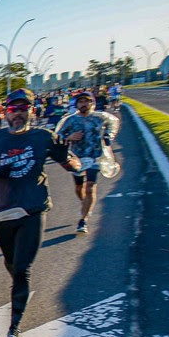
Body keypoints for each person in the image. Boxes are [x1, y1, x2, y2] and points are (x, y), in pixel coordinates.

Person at [0, 89, 81, 337]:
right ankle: (19, 288)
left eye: (23, 108)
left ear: (32, 111)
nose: (18, 112)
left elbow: (70, 164)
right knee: (12, 264)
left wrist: (71, 158)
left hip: (33, 209)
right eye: (13, 109)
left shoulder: (43, 137)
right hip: (3, 211)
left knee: (22, 268)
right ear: (5, 112)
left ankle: (14, 327)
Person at [55, 90, 119, 234]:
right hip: (77, 157)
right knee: (79, 188)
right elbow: (57, 136)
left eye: (86, 101)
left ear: (92, 103)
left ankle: (83, 220)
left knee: (90, 187)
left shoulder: (100, 117)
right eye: (81, 102)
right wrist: (70, 137)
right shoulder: (70, 120)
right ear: (77, 104)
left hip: (95, 155)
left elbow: (114, 123)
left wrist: (109, 135)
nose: (84, 104)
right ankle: (86, 204)